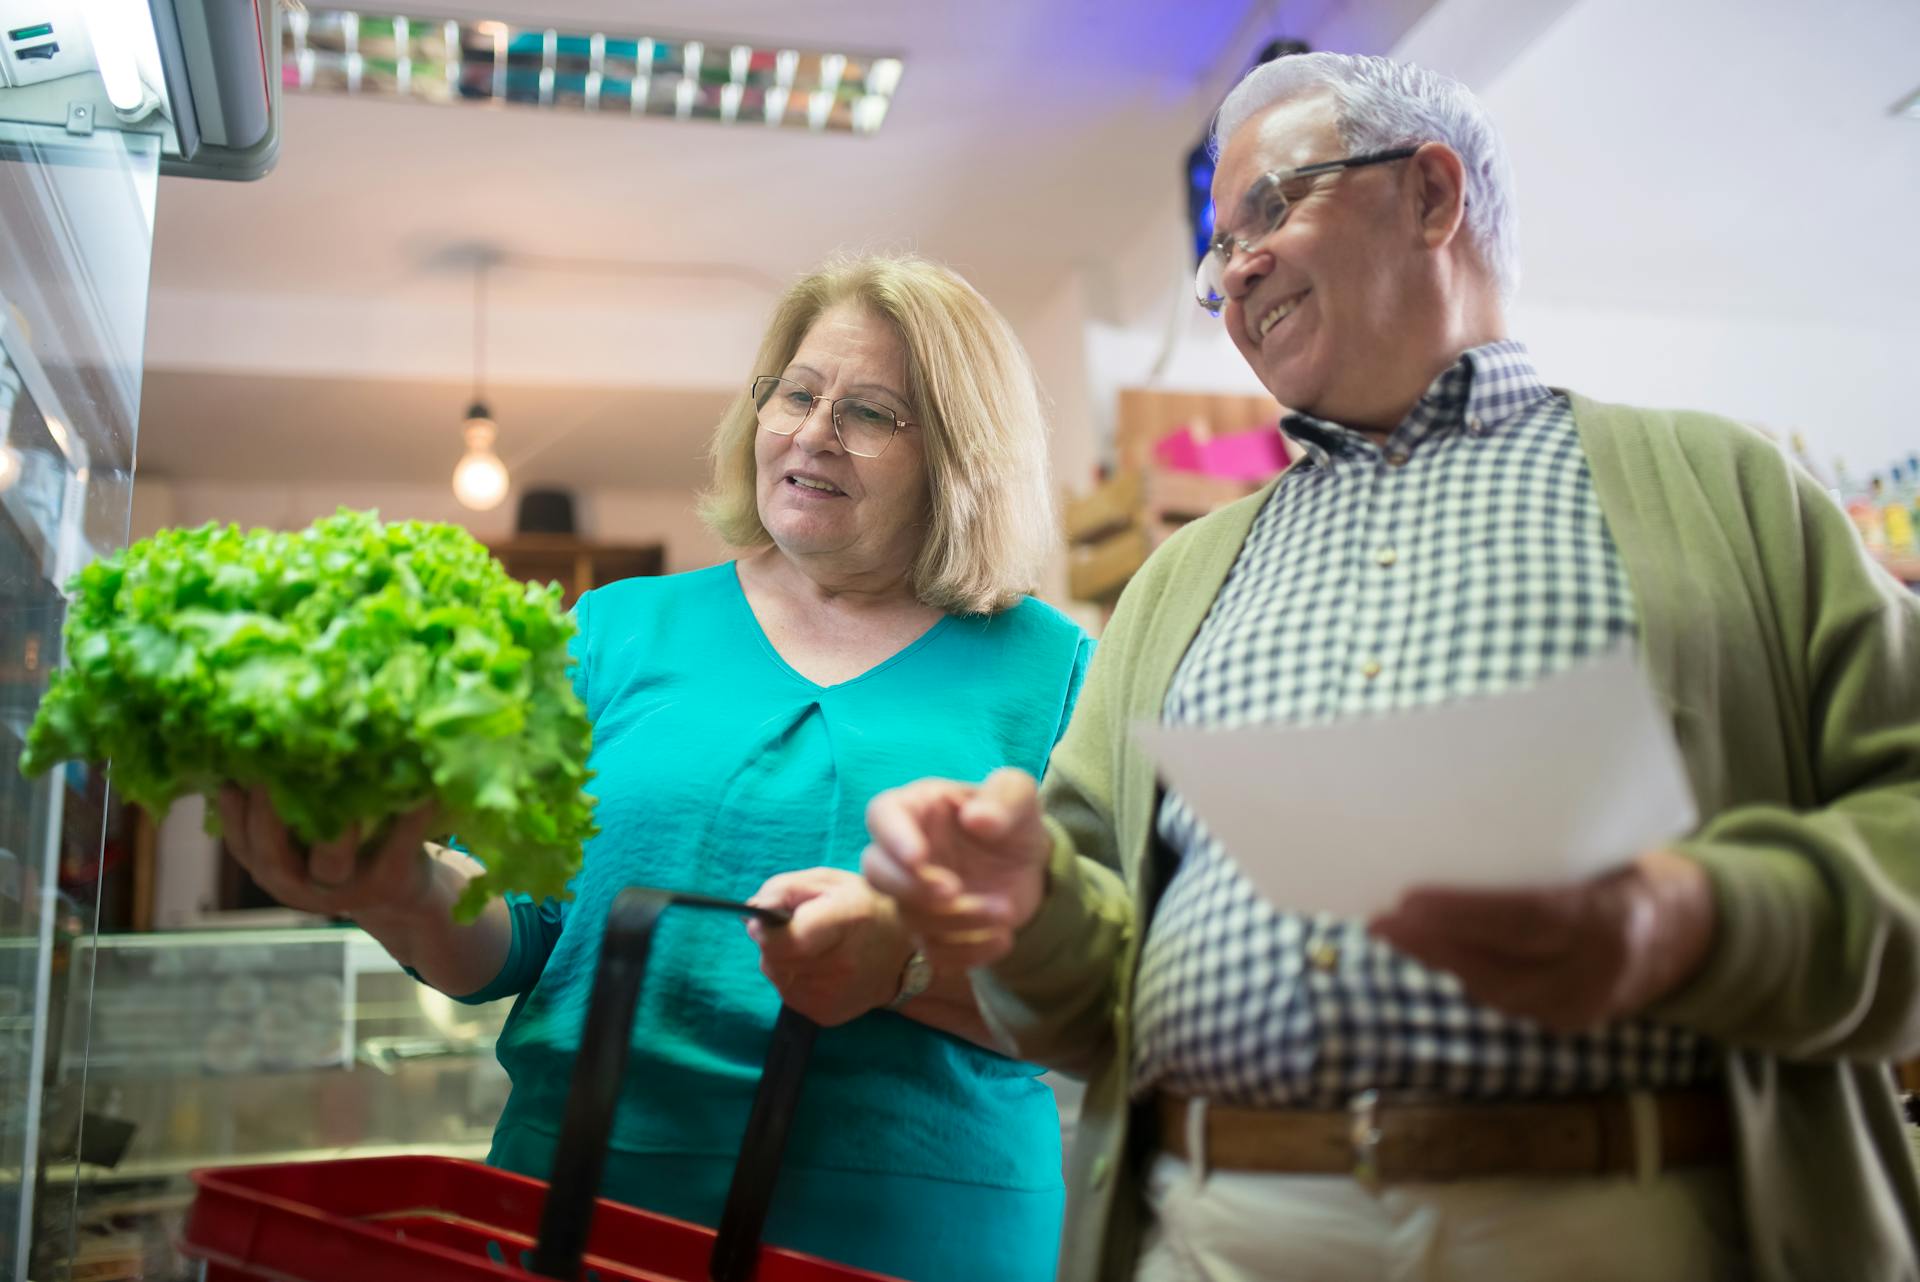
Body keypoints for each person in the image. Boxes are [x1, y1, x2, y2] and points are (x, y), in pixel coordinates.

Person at [863, 52, 1920, 1282]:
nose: (1236, 264)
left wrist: (1696, 917)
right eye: (1218, 249)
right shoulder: (1173, 583)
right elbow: (1091, 990)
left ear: (1431, 194)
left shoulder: (1729, 492)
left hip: (1625, 1226)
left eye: (1272, 205)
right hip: (1221, 1235)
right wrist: (1024, 908)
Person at [219, 253, 1092, 1282]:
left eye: (869, 412)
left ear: (958, 454)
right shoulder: (614, 629)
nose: (811, 432)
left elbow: (1088, 994)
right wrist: (399, 890)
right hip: (586, 1196)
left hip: (913, 1229)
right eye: (795, 394)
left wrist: (904, 965)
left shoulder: (1058, 672)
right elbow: (524, 934)